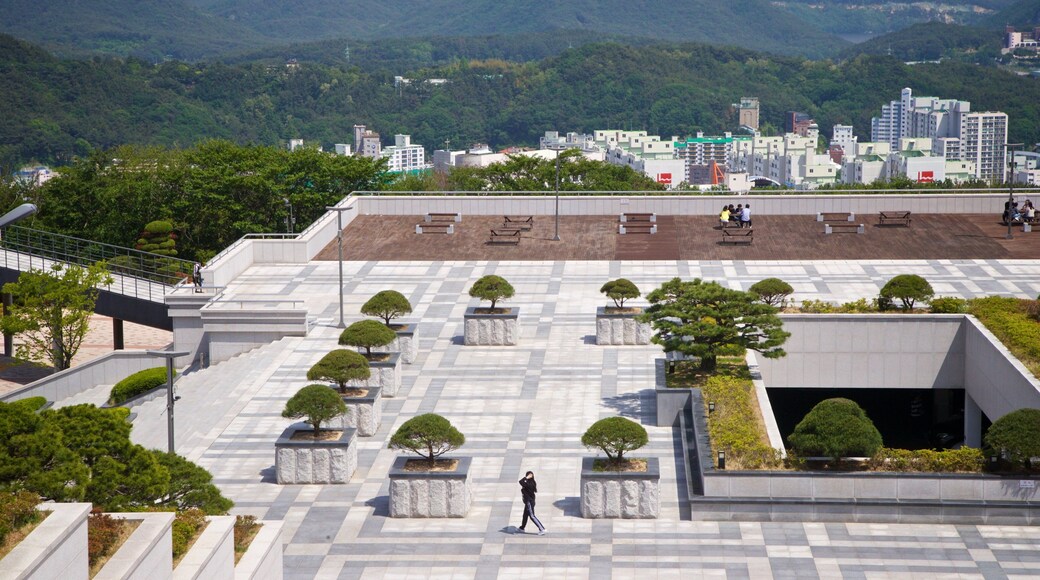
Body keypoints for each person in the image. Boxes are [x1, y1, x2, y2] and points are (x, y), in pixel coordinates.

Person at [518, 471, 545, 535]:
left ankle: (542, 529)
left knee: (532, 516)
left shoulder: (529, 484)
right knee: (525, 515)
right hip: (529, 501)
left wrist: (526, 477)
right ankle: (522, 528)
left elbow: (520, 482)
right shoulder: (531, 482)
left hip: (529, 502)